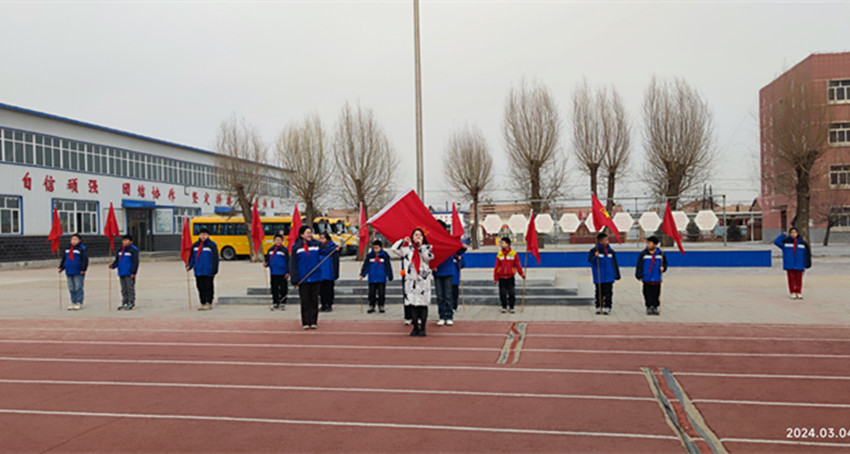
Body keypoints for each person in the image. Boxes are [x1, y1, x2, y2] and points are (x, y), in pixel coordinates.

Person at [290, 225, 337, 329]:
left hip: (315, 276)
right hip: (303, 278)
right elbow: (293, 264)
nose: (309, 234)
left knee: (314, 300)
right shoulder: (296, 247)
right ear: (302, 235)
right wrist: (294, 279)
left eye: (310, 232)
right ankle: (306, 322)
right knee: (305, 301)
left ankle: (313, 321)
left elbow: (325, 251)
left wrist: (334, 248)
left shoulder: (316, 244)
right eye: (307, 233)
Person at [391, 228, 434, 336]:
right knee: (412, 304)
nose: (418, 236)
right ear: (412, 237)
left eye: (420, 235)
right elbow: (394, 249)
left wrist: (420, 248)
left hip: (423, 281)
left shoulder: (427, 248)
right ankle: (415, 327)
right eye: (416, 235)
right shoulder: (407, 250)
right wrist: (402, 241)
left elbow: (427, 258)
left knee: (423, 305)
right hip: (410, 281)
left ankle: (423, 327)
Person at [186, 228, 219, 311]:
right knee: (200, 286)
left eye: (205, 234)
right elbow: (192, 258)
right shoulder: (195, 245)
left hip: (208, 270)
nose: (203, 236)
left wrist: (214, 269)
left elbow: (215, 258)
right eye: (201, 234)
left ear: (208, 235)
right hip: (198, 270)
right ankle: (203, 302)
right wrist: (189, 266)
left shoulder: (211, 245)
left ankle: (208, 302)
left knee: (208, 286)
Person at [774, 227, 812, 299]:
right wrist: (782, 235)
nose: (793, 234)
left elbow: (807, 254)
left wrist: (807, 264)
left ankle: (798, 292)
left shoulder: (803, 243)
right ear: (790, 234)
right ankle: (792, 292)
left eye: (795, 232)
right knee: (791, 279)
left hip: (799, 264)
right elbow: (776, 242)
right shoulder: (785, 243)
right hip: (790, 264)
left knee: (799, 279)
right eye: (792, 232)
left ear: (797, 233)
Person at [588, 232, 621, 315]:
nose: (607, 241)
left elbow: (614, 263)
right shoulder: (594, 250)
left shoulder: (610, 251)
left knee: (608, 292)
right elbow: (591, 261)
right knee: (599, 292)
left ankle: (607, 306)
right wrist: (596, 256)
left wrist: (616, 274)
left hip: (609, 276)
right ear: (600, 241)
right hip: (599, 276)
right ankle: (599, 306)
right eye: (605, 240)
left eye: (607, 240)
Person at [433, 220, 457, 326]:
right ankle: (441, 316)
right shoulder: (433, 240)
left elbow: (458, 251)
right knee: (439, 296)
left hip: (448, 270)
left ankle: (449, 315)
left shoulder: (449, 239)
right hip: (437, 271)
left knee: (448, 295)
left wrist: (462, 249)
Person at [635, 236, 668, 316]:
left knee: (656, 293)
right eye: (647, 243)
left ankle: (655, 306)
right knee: (647, 293)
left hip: (656, 278)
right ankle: (649, 306)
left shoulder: (660, 254)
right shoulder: (643, 254)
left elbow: (665, 263)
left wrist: (663, 268)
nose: (647, 245)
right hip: (647, 277)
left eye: (649, 243)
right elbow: (639, 265)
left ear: (655, 245)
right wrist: (638, 275)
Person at [360, 240, 393, 314]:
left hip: (381, 278)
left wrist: (390, 275)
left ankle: (381, 305)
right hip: (372, 277)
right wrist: (362, 274)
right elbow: (366, 266)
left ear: (380, 248)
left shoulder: (384, 255)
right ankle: (372, 305)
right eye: (374, 248)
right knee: (371, 293)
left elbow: (388, 266)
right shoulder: (369, 256)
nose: (375, 249)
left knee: (381, 293)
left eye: (377, 248)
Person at [494, 237, 525, 314]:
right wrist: (495, 278)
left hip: (510, 277)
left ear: (508, 244)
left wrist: (521, 274)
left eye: (502, 243)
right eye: (501, 243)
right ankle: (504, 306)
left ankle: (511, 307)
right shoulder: (499, 254)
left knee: (511, 293)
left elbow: (518, 265)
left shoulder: (513, 254)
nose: (501, 244)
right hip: (501, 277)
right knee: (502, 293)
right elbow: (496, 267)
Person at [58, 233, 89, 311]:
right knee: (71, 287)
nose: (73, 241)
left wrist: (83, 269)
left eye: (75, 239)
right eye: (72, 239)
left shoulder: (82, 249)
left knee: (78, 287)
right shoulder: (68, 249)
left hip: (78, 271)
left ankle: (79, 302)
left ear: (79, 240)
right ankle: (73, 302)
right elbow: (64, 259)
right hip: (69, 270)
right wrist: (61, 267)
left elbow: (84, 260)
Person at [109, 234, 139, 310]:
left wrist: (133, 272)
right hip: (121, 271)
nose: (124, 242)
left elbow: (135, 262)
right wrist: (113, 265)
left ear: (130, 241)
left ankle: (131, 302)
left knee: (130, 288)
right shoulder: (120, 250)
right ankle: (124, 301)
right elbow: (117, 260)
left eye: (126, 240)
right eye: (123, 240)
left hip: (129, 272)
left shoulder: (133, 250)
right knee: (123, 288)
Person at [264, 234, 290, 310]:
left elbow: (288, 261)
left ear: (282, 241)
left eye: (279, 240)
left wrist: (288, 272)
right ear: (274, 241)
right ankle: (275, 302)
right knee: (274, 288)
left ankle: (283, 302)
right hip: (273, 272)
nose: (278, 241)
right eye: (276, 240)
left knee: (283, 288)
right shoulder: (270, 250)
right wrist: (266, 264)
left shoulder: (284, 250)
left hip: (282, 273)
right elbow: (268, 260)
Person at [318, 232, 340, 313]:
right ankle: (323, 304)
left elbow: (336, 262)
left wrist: (335, 273)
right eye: (320, 238)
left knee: (329, 290)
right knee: (321, 290)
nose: (321, 240)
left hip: (329, 272)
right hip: (320, 272)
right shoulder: (319, 247)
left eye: (323, 238)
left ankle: (329, 304)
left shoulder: (333, 247)